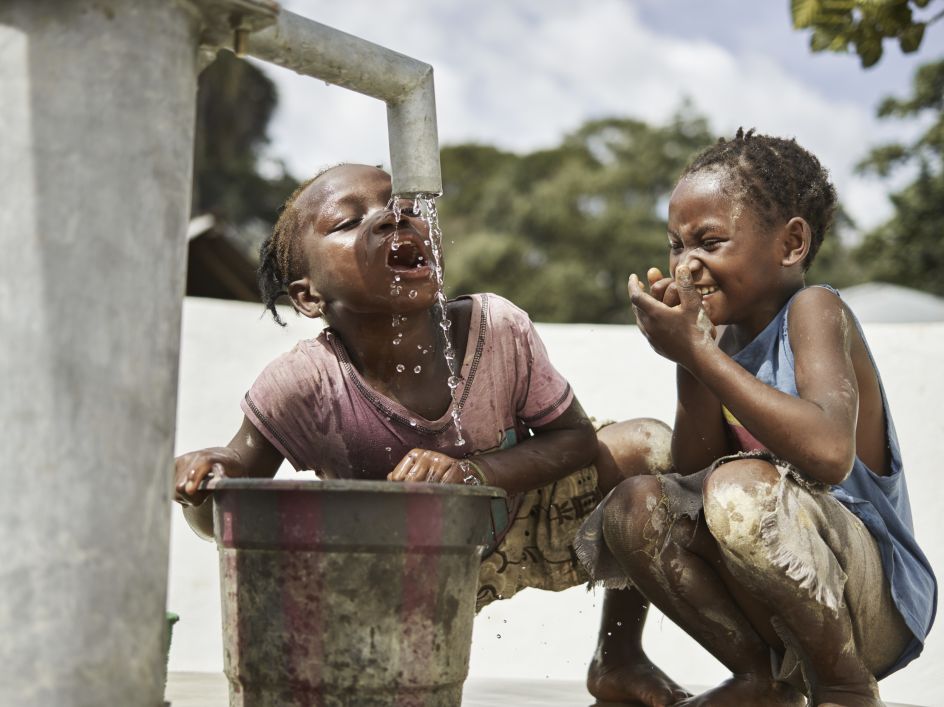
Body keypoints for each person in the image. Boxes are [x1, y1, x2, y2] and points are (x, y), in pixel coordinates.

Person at [173, 163, 689, 706]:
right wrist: (205, 481)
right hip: (396, 569)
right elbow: (229, 510)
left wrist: (473, 473)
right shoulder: (305, 382)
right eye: (349, 221)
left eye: (407, 208)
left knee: (646, 449)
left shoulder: (498, 328)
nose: (392, 217)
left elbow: (576, 439)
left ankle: (619, 657)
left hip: (522, 514)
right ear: (307, 297)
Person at [577, 129, 937, 707]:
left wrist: (698, 354)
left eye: (710, 241)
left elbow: (826, 453)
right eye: (676, 245)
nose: (687, 263)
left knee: (739, 489)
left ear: (791, 243)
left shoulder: (815, 310)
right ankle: (759, 679)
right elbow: (692, 475)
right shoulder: (714, 339)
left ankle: (844, 688)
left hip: (872, 600)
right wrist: (692, 355)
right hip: (778, 589)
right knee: (637, 503)